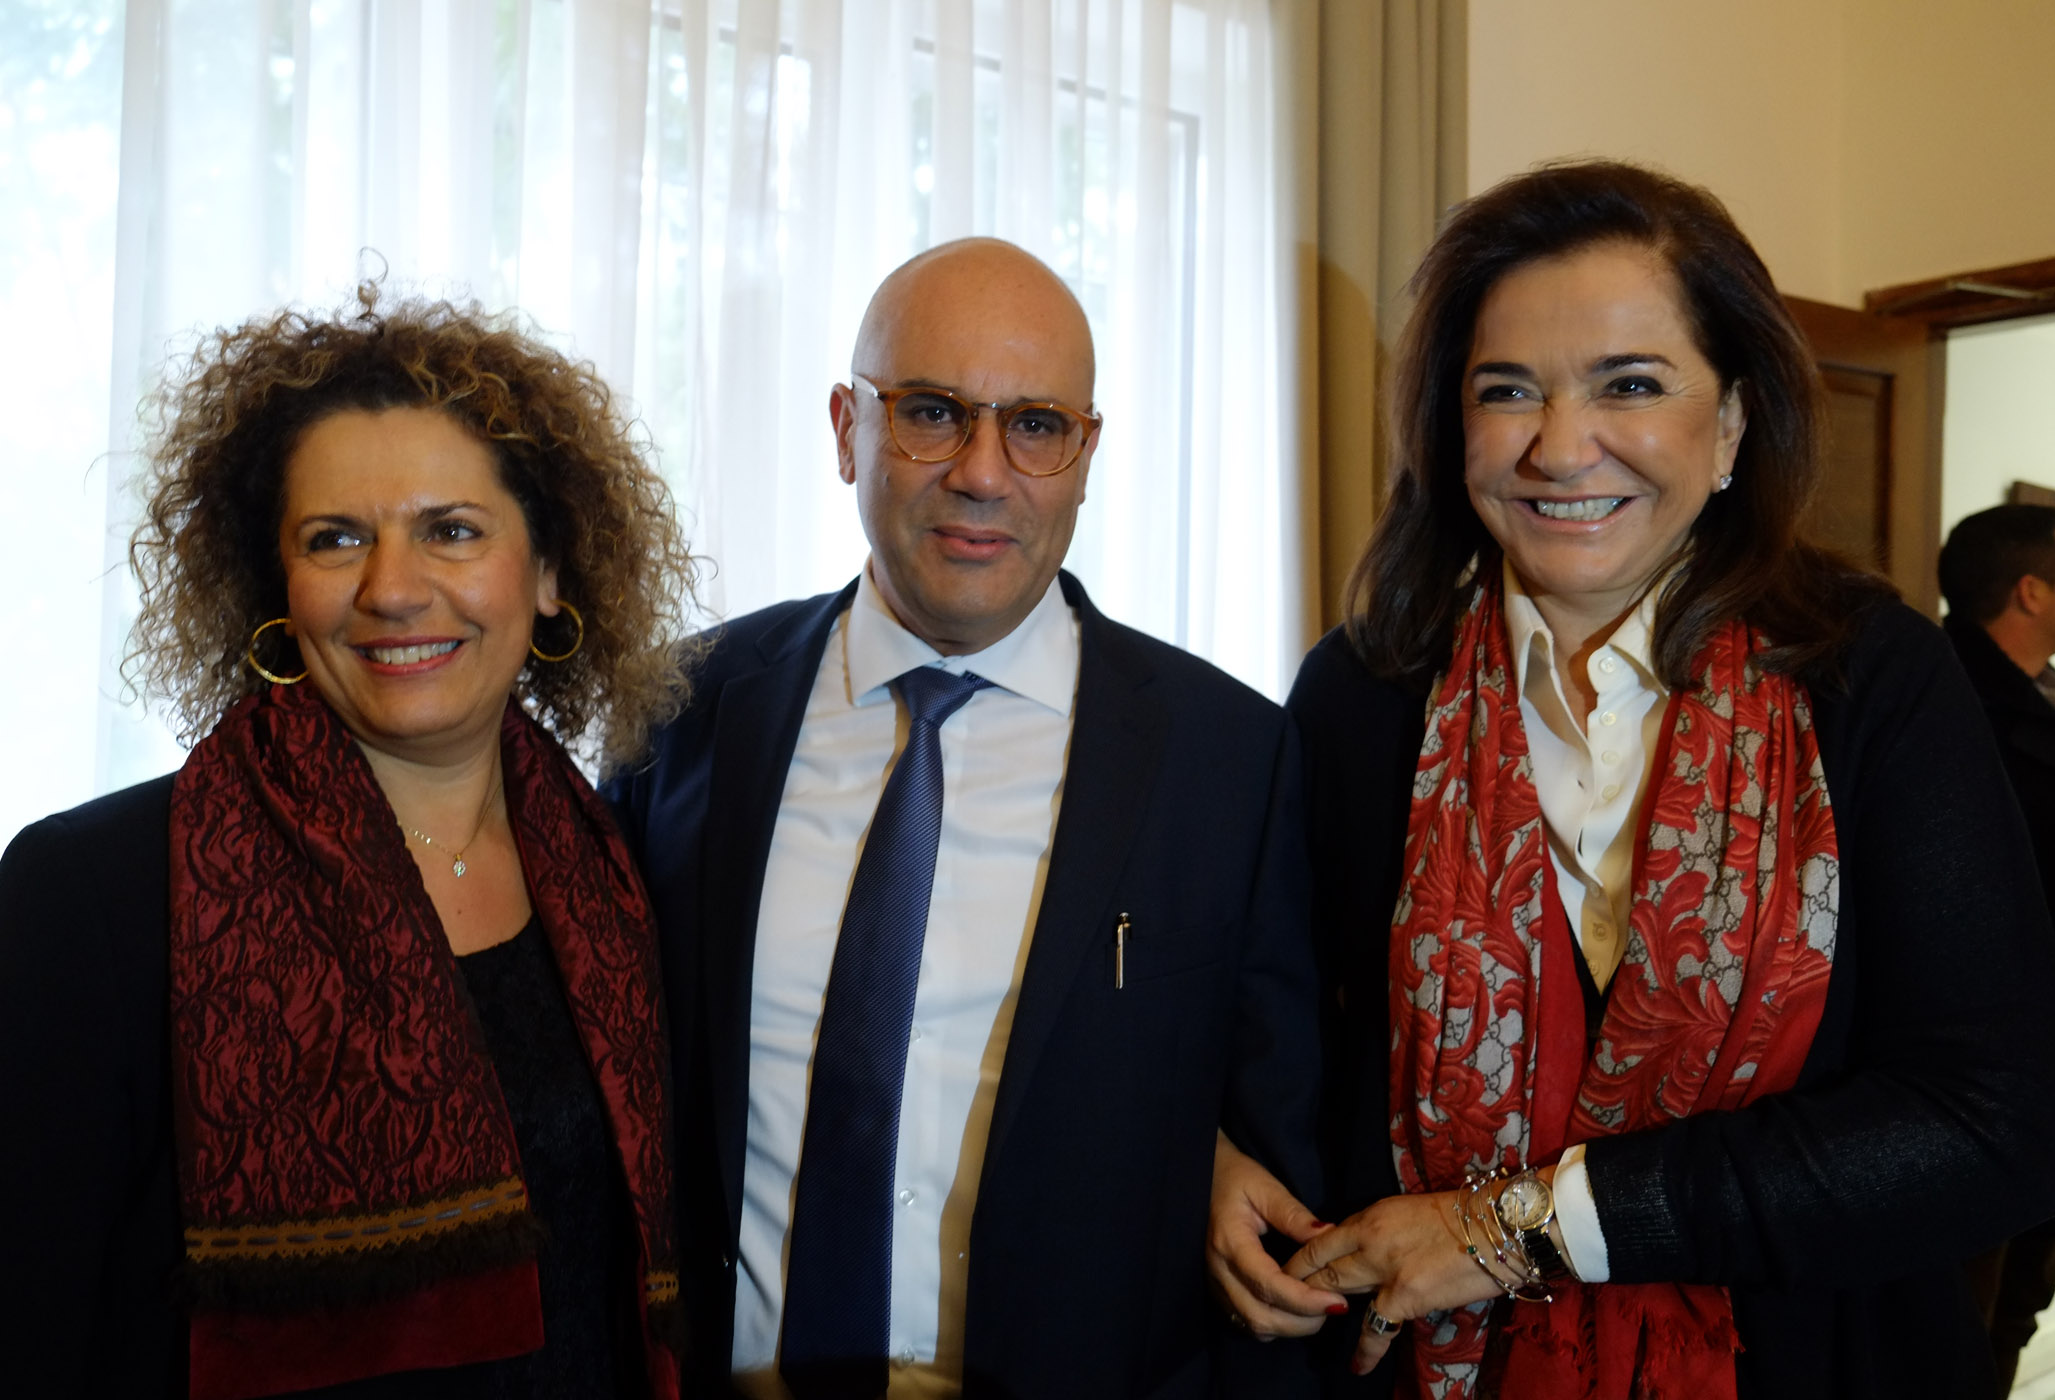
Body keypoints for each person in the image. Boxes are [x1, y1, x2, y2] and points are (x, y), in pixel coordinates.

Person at [1208, 161, 2055, 1398]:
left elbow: (2009, 1125)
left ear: (1730, 425)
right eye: (1507, 389)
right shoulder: (1363, 693)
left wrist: (1513, 1228)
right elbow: (1284, 1043)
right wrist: (1219, 1151)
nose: (1561, 446)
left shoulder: (1869, 677)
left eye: (1630, 384)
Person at [601, 236, 1322, 1399]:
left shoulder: (1230, 759)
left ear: (1086, 454)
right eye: (932, 413)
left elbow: (1279, 1180)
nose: (984, 473)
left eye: (1035, 424)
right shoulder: (681, 712)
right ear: (848, 428)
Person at [0, 290, 702, 1398]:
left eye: (452, 530)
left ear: (549, 572)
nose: (392, 590)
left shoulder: (615, 867)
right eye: (336, 540)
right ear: (276, 586)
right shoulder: (89, 893)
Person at [1939, 503, 2055, 1394]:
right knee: (1955, 1321)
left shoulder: (2051, 701)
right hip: (1986, 1075)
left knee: (2015, 1308)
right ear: (2031, 591)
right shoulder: (1950, 703)